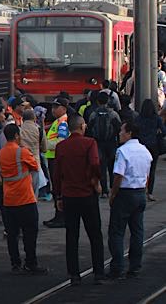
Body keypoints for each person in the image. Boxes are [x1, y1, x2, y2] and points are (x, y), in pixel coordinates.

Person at [53, 114, 105, 285]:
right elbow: (95, 164)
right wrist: (96, 182)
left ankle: (74, 274)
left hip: (69, 196)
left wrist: (58, 195)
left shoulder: (61, 147)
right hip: (87, 195)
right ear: (82, 126)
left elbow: (57, 174)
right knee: (95, 235)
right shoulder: (90, 143)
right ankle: (98, 273)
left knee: (71, 235)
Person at [0, 124, 47, 275]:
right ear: (18, 136)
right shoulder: (22, 152)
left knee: (12, 235)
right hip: (25, 199)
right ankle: (30, 263)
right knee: (30, 233)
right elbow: (34, 166)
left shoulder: (0, 154)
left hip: (9, 200)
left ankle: (15, 263)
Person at [106, 121, 153, 279]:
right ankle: (135, 266)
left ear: (130, 133)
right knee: (137, 231)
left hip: (125, 194)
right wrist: (145, 190)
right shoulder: (145, 150)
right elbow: (147, 174)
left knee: (117, 232)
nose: (119, 133)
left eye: (122, 131)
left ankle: (117, 267)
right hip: (140, 193)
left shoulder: (123, 151)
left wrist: (113, 194)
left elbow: (119, 175)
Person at [87, 92, 122, 198]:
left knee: (101, 166)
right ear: (108, 101)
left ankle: (104, 190)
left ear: (97, 101)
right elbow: (118, 127)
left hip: (98, 142)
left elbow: (89, 128)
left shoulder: (94, 114)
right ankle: (113, 188)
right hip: (111, 142)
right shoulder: (113, 114)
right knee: (112, 165)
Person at [43, 98, 70, 228]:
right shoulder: (58, 121)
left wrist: (45, 145)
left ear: (64, 109)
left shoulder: (63, 123)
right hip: (53, 158)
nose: (53, 110)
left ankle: (61, 217)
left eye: (56, 107)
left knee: (58, 189)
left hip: (57, 159)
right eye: (53, 107)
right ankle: (58, 216)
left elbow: (61, 141)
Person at [134, 99, 162, 202]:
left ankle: (141, 189)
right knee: (152, 169)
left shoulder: (138, 118)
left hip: (141, 147)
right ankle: (150, 192)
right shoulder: (156, 118)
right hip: (153, 146)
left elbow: (134, 131)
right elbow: (163, 131)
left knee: (140, 168)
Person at [18, 108, 47, 199]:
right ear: (34, 118)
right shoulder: (39, 129)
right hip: (35, 162)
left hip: (21, 162)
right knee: (34, 190)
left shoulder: (19, 129)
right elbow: (44, 148)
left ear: (23, 119)